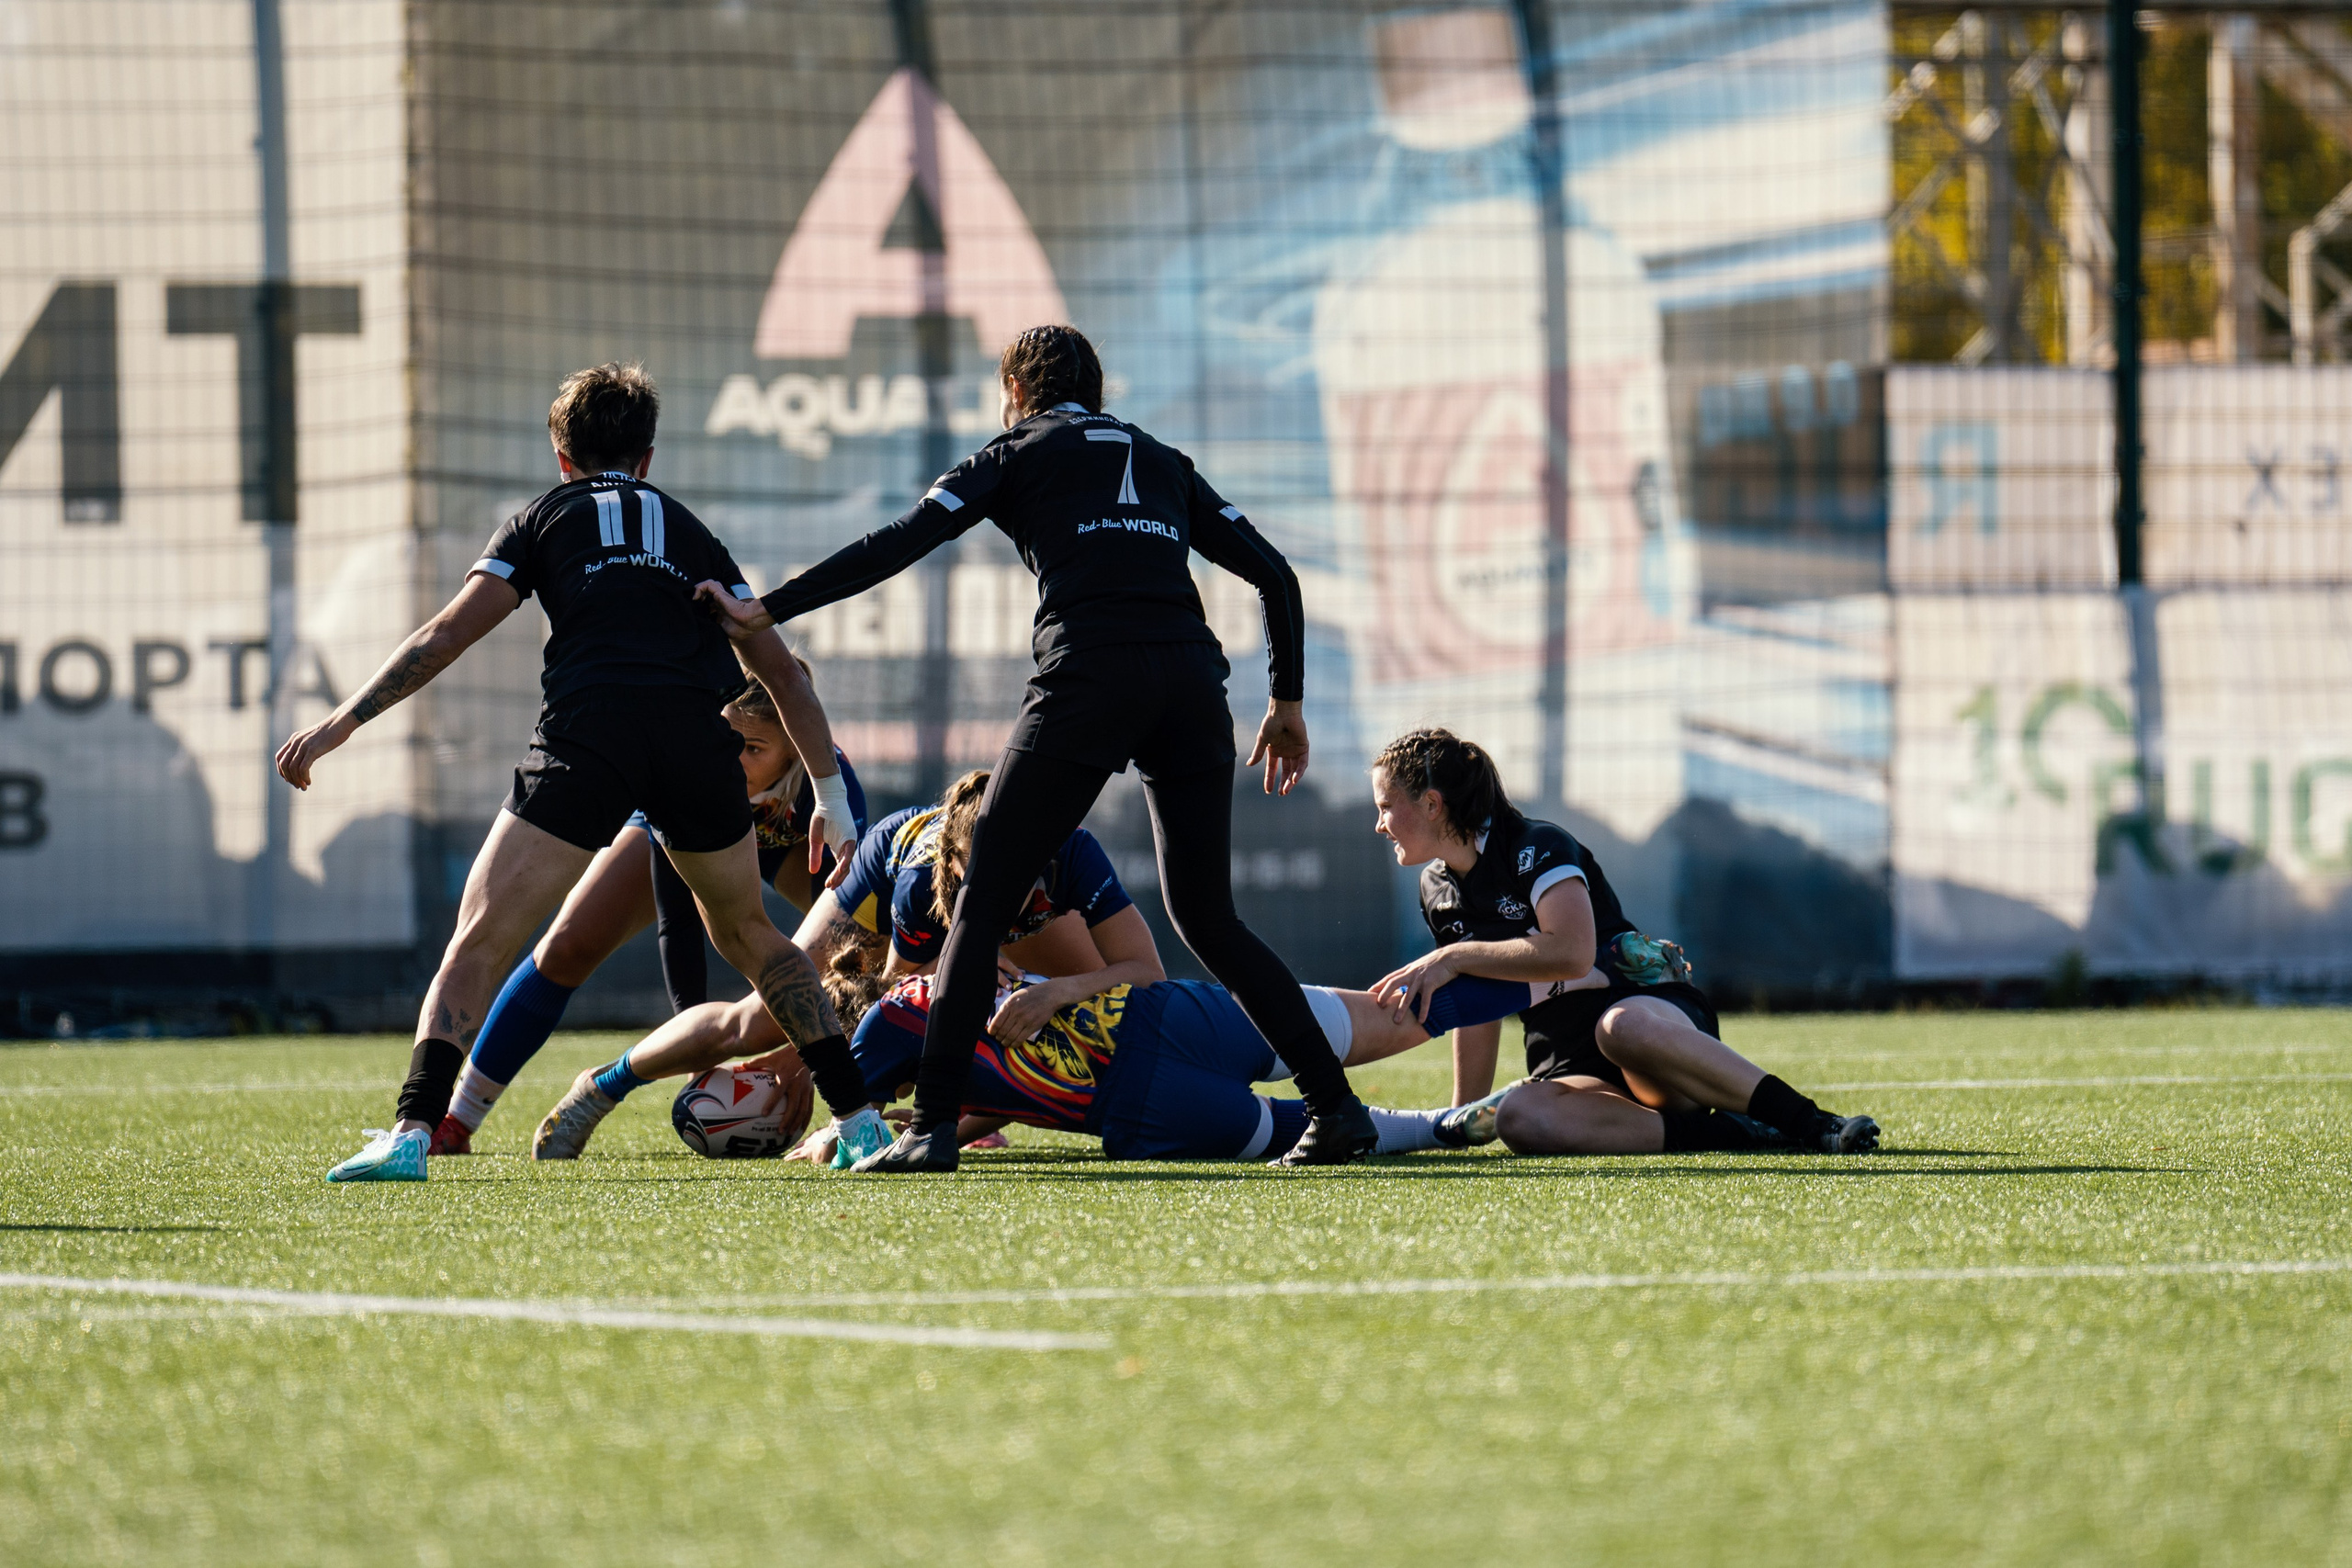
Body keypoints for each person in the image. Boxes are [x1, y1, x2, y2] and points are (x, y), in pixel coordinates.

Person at [698, 324, 1375, 1170]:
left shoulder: (1015, 448)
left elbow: (901, 540)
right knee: (1208, 915)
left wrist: (771, 606)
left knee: (983, 897)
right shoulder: (1161, 458)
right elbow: (1277, 573)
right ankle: (1337, 1110)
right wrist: (1287, 701)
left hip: (1091, 679)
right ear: (1095, 391)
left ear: (1016, 390)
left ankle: (933, 1128)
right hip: (1193, 687)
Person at [278, 362, 895, 1180]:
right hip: (691, 738)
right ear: (646, 458)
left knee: (482, 941)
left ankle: (413, 1133)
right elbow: (778, 670)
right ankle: (859, 1124)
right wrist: (830, 794)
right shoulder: (688, 528)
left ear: (560, 455)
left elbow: (448, 633)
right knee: (755, 937)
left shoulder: (542, 516)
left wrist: (339, 723)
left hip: (589, 734)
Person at [533, 768, 1166, 1158]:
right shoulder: (923, 887)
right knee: (757, 1021)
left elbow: (1145, 975)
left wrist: (1054, 993)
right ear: (953, 873)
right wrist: (814, 1061)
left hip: (961, 928)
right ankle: (601, 1086)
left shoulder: (1071, 855)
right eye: (987, 881)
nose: (1011, 892)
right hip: (883, 872)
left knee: (1062, 1019)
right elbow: (896, 1006)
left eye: (1023, 876)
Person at [1366, 728, 1881, 1156]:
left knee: (1621, 1026)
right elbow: (1479, 1004)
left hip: (1649, 1023)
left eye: (1387, 806)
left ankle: (1811, 1123)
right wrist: (1460, 1113)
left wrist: (1452, 958)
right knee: (1519, 1117)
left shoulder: (1536, 845)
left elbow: (1572, 954)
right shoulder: (1435, 888)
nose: (1379, 823)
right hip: (1571, 1059)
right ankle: (1736, 1133)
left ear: (1432, 804)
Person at [431, 670, 867, 1154]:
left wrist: (799, 1058)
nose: (733, 758)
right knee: (568, 945)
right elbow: (677, 922)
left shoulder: (828, 789)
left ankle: (955, 1107)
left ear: (794, 747)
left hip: (783, 845)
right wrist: (696, 1056)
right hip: (702, 825)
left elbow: (849, 950)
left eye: (755, 749)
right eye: (727, 739)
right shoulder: (692, 764)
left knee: (860, 945)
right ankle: (456, 1120)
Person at [783, 959, 1522, 1166]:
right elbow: (1000, 1079)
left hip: (1144, 1103)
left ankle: (1440, 1125)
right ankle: (1537, 975)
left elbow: (858, 1138)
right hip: (1165, 1014)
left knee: (1303, 1128)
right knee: (1373, 1017)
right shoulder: (948, 970)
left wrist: (810, 1145)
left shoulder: (877, 1031)